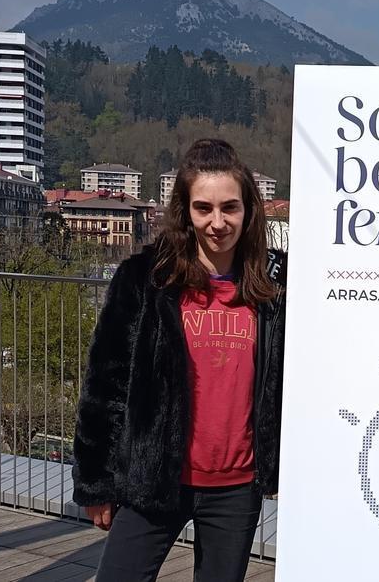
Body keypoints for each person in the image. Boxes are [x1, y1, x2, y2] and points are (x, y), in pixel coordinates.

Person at [72, 139, 285, 581]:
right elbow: (105, 385)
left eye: (230, 207)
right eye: (203, 208)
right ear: (186, 211)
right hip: (153, 477)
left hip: (237, 487)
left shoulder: (277, 287)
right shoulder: (145, 279)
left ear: (248, 210)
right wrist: (95, 482)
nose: (217, 222)